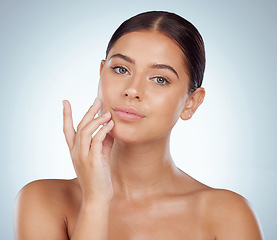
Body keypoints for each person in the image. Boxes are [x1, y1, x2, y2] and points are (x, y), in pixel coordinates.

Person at [14, 11, 264, 239]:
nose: (132, 90)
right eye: (121, 69)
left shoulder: (228, 215)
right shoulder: (42, 200)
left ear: (191, 103)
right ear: (101, 73)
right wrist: (96, 202)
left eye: (160, 79)